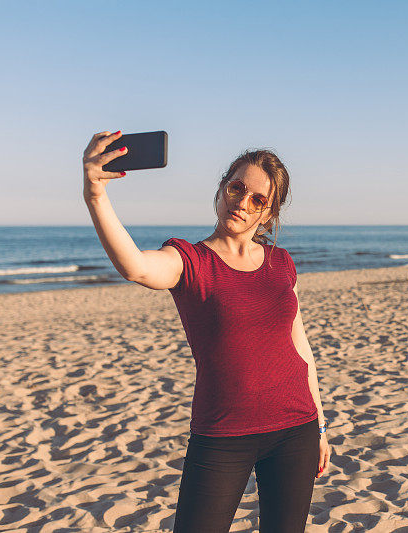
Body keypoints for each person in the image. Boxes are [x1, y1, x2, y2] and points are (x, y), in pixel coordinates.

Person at [82, 131, 331, 533]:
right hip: (223, 434)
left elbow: (300, 348)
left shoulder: (281, 263)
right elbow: (135, 267)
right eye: (237, 188)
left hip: (295, 429)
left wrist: (319, 424)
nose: (242, 202)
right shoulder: (189, 260)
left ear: (268, 214)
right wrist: (95, 194)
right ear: (221, 190)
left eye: (258, 199)